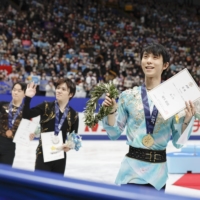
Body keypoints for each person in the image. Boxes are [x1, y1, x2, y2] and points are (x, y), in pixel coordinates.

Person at [102, 43, 196, 191]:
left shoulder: (175, 99)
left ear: (165, 65)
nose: (149, 60)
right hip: (131, 171)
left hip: (158, 175)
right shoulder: (128, 96)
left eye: (155, 57)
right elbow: (113, 134)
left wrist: (187, 120)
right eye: (145, 57)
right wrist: (111, 112)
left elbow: (178, 142)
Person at [22, 78, 79, 175]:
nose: (59, 91)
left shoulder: (74, 114)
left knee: (55, 188)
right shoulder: (46, 106)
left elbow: (74, 136)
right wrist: (27, 98)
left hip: (60, 156)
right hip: (43, 154)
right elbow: (26, 115)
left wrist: (69, 146)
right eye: (58, 88)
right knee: (40, 185)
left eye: (63, 89)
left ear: (71, 94)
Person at [0, 82, 27, 166]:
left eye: (19, 91)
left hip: (9, 147)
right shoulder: (2, 105)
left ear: (24, 93)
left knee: (4, 176)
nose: (15, 92)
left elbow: (28, 128)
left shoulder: (26, 111)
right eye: (14, 90)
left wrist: (31, 133)